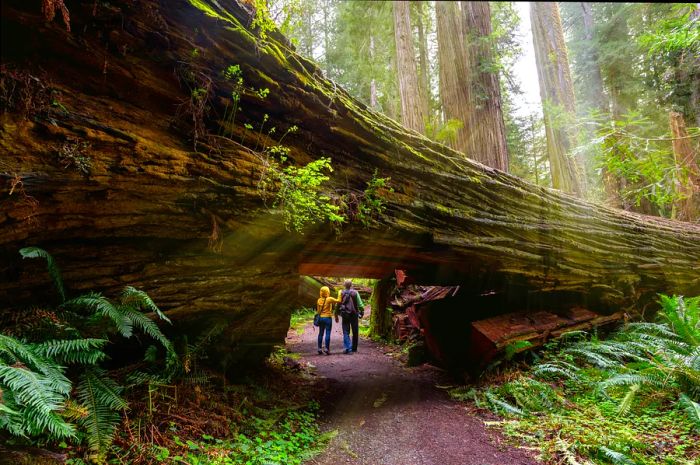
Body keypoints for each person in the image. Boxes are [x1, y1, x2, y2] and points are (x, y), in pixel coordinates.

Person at [336, 279, 364, 354]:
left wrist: (336, 313)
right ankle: (354, 348)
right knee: (355, 331)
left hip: (345, 314)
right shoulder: (355, 292)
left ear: (344, 285)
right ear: (351, 285)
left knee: (345, 331)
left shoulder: (341, 292)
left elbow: (338, 303)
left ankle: (348, 348)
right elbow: (360, 304)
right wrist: (362, 311)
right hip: (354, 314)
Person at [316, 286, 341, 355]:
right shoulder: (329, 299)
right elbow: (339, 300)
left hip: (321, 318)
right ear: (328, 292)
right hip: (327, 318)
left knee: (320, 333)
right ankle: (327, 349)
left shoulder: (318, 300)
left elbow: (318, 311)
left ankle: (319, 348)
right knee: (327, 333)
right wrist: (340, 292)